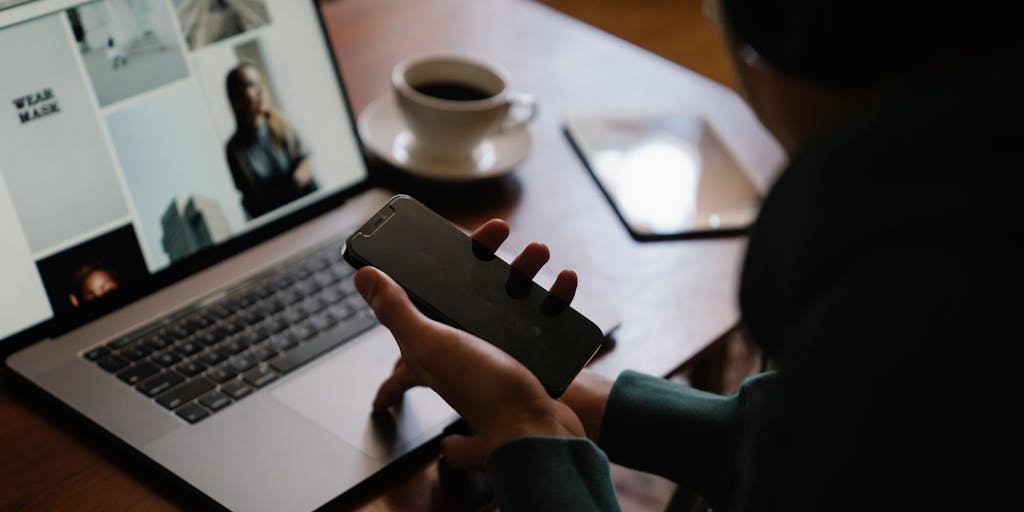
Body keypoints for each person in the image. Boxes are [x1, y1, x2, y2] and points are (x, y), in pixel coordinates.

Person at [356, 0, 1022, 510]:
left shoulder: (895, 296)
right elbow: (809, 447)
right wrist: (564, 395)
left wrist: (537, 444)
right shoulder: (966, 231)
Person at [225, 62, 316, 220]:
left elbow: (305, 163)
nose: (260, 90)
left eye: (260, 83)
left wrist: (300, 177)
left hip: (308, 207)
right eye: (250, 85)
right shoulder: (234, 150)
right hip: (276, 221)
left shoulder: (282, 123)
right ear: (237, 100)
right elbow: (251, 200)